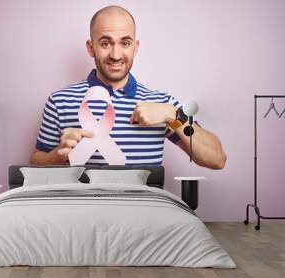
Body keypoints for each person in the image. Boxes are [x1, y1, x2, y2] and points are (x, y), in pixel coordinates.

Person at [29, 5, 226, 169]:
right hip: (80, 210)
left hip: (142, 212)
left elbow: (216, 159)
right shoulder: (60, 101)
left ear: (135, 47)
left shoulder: (162, 104)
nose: (116, 54)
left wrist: (173, 115)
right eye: (105, 43)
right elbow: (36, 162)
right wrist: (57, 155)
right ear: (91, 48)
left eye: (125, 43)